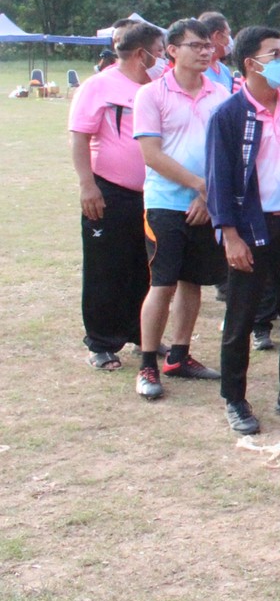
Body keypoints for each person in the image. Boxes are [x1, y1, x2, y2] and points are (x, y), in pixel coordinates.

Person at [206, 26, 280, 435]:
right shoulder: (228, 115)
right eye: (274, 55)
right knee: (241, 316)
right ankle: (235, 399)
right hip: (250, 227)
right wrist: (230, 235)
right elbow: (219, 180)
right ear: (250, 64)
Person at [131, 18, 227, 399]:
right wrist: (197, 185)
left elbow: (225, 153)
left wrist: (207, 196)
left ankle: (180, 355)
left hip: (206, 203)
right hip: (165, 203)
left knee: (193, 281)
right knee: (163, 282)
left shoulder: (221, 94)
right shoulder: (151, 95)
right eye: (195, 46)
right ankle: (148, 364)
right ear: (172, 51)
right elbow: (151, 155)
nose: (205, 52)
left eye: (208, 46)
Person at [70, 20, 162, 370]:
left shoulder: (156, 88)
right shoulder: (99, 86)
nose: (163, 58)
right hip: (109, 190)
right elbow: (80, 136)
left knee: (145, 266)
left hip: (151, 193)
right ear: (141, 54)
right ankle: (102, 342)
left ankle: (141, 334)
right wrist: (87, 185)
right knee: (105, 267)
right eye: (158, 51)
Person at [198, 12, 236, 91]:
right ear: (217, 36)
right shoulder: (197, 71)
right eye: (228, 34)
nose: (230, 40)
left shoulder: (224, 70)